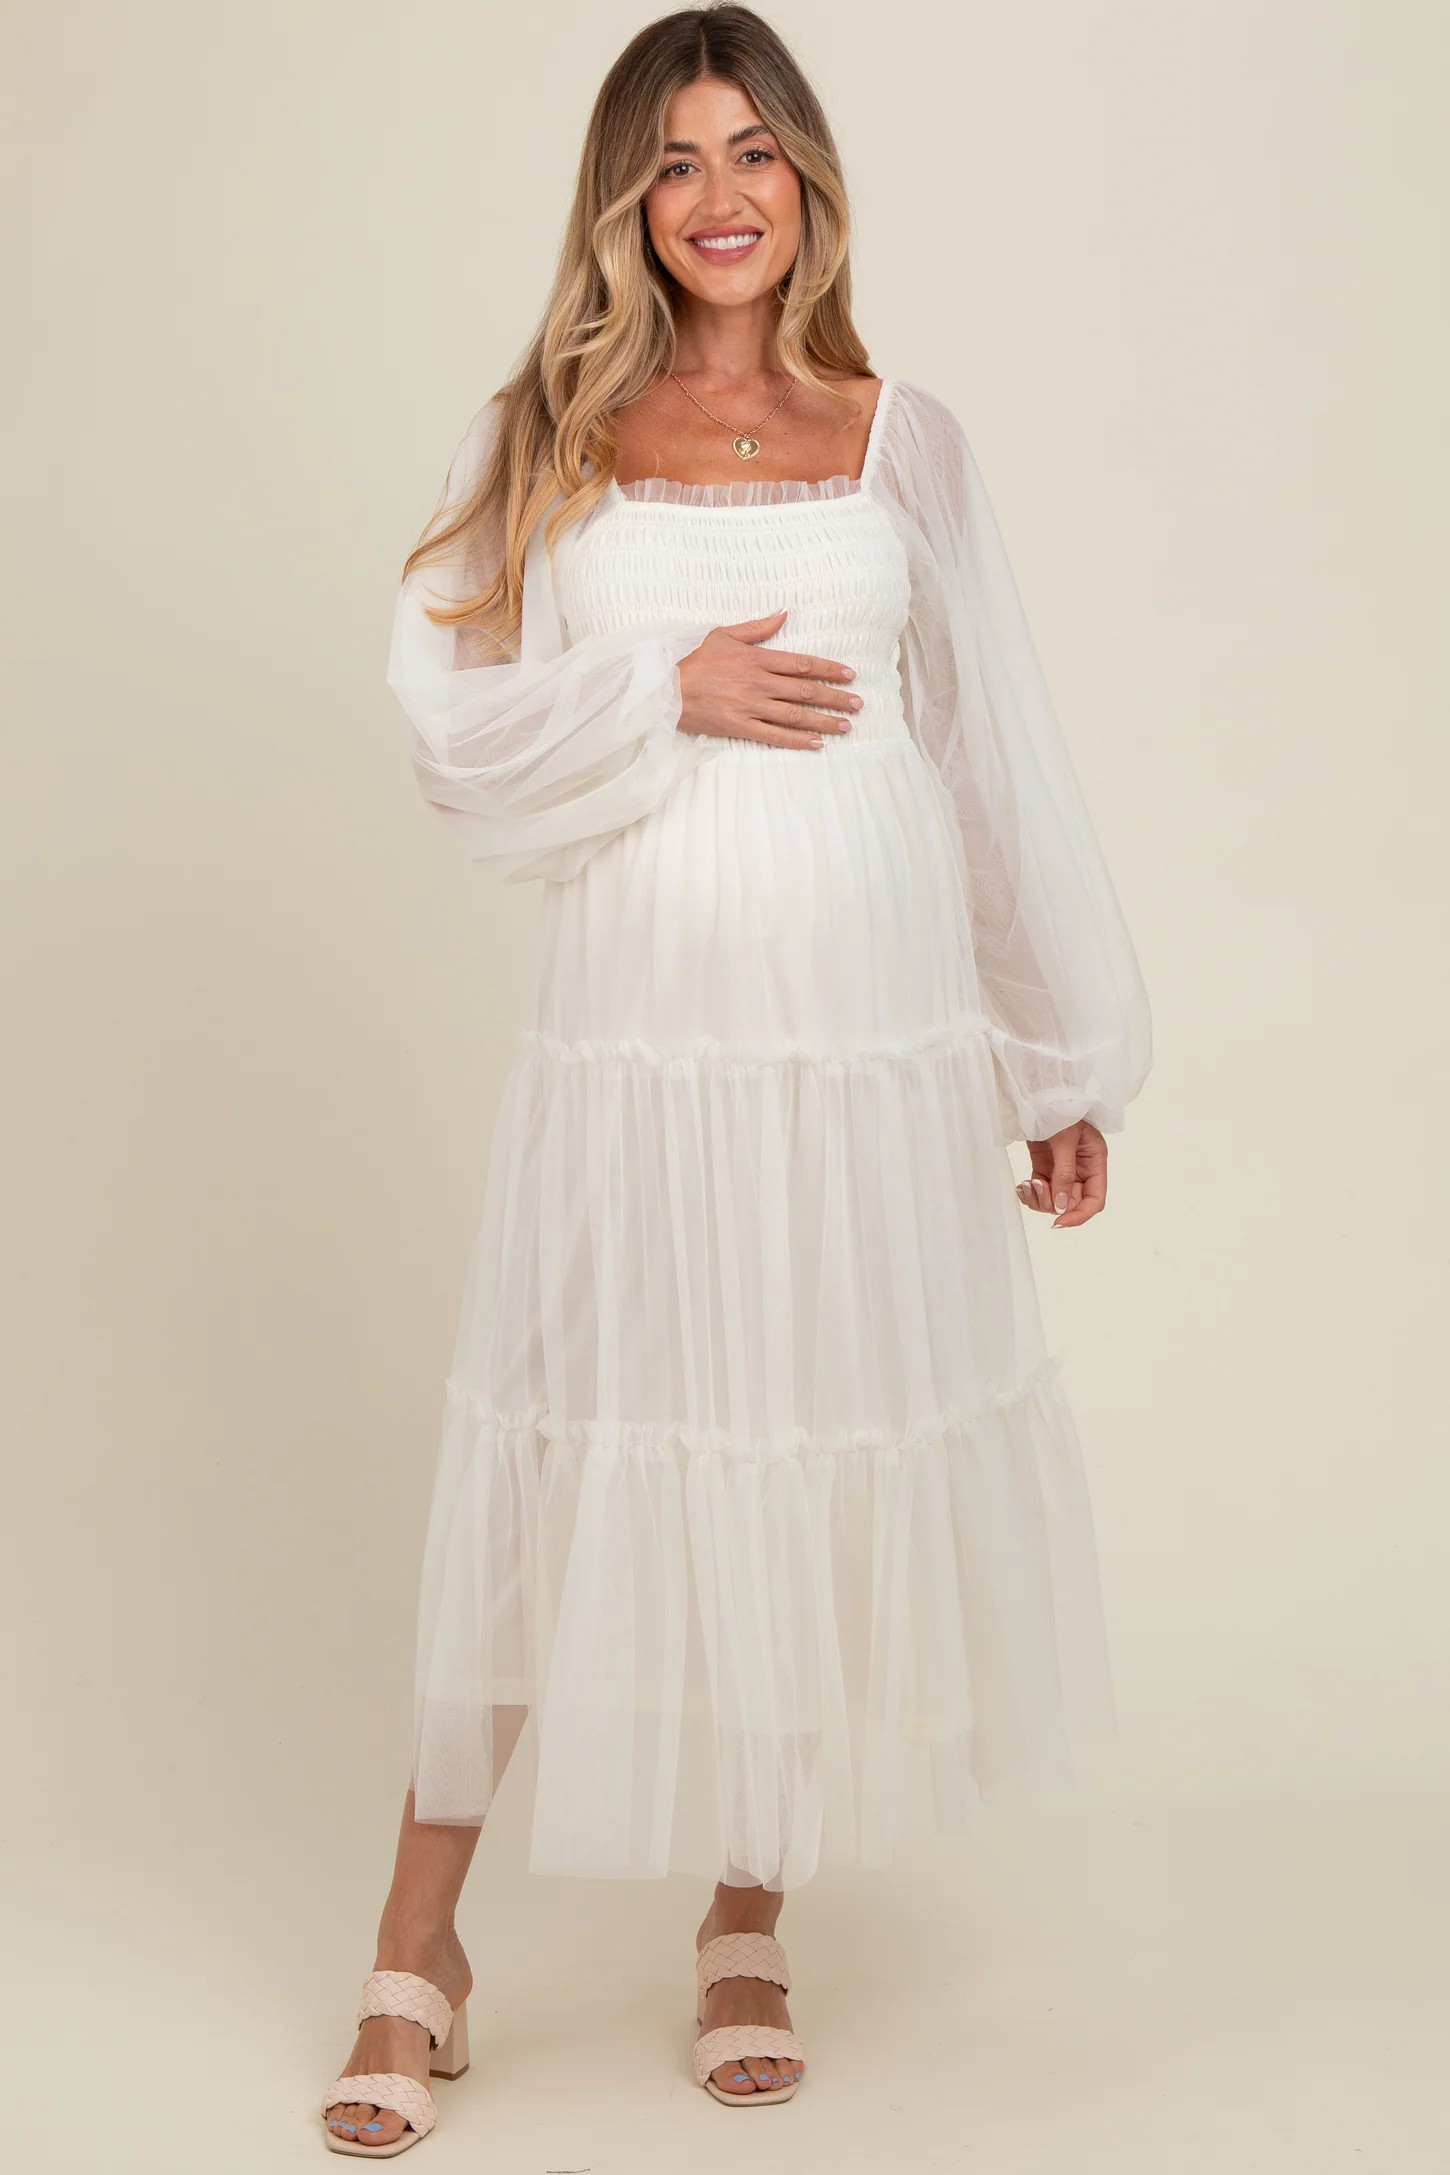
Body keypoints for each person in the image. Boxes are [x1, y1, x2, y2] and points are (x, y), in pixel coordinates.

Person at [320, 3, 1151, 2153]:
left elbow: (987, 753)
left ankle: (746, 1912)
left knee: (789, 1441)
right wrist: (653, 685)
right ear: (624, 199)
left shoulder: (901, 440)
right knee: (561, 1449)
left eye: (753, 152)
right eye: (674, 160)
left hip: (856, 1059)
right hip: (636, 1056)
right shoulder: (541, 432)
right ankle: (419, 1939)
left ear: (808, 182)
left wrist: (1053, 1053)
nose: (717, 198)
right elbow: (446, 725)